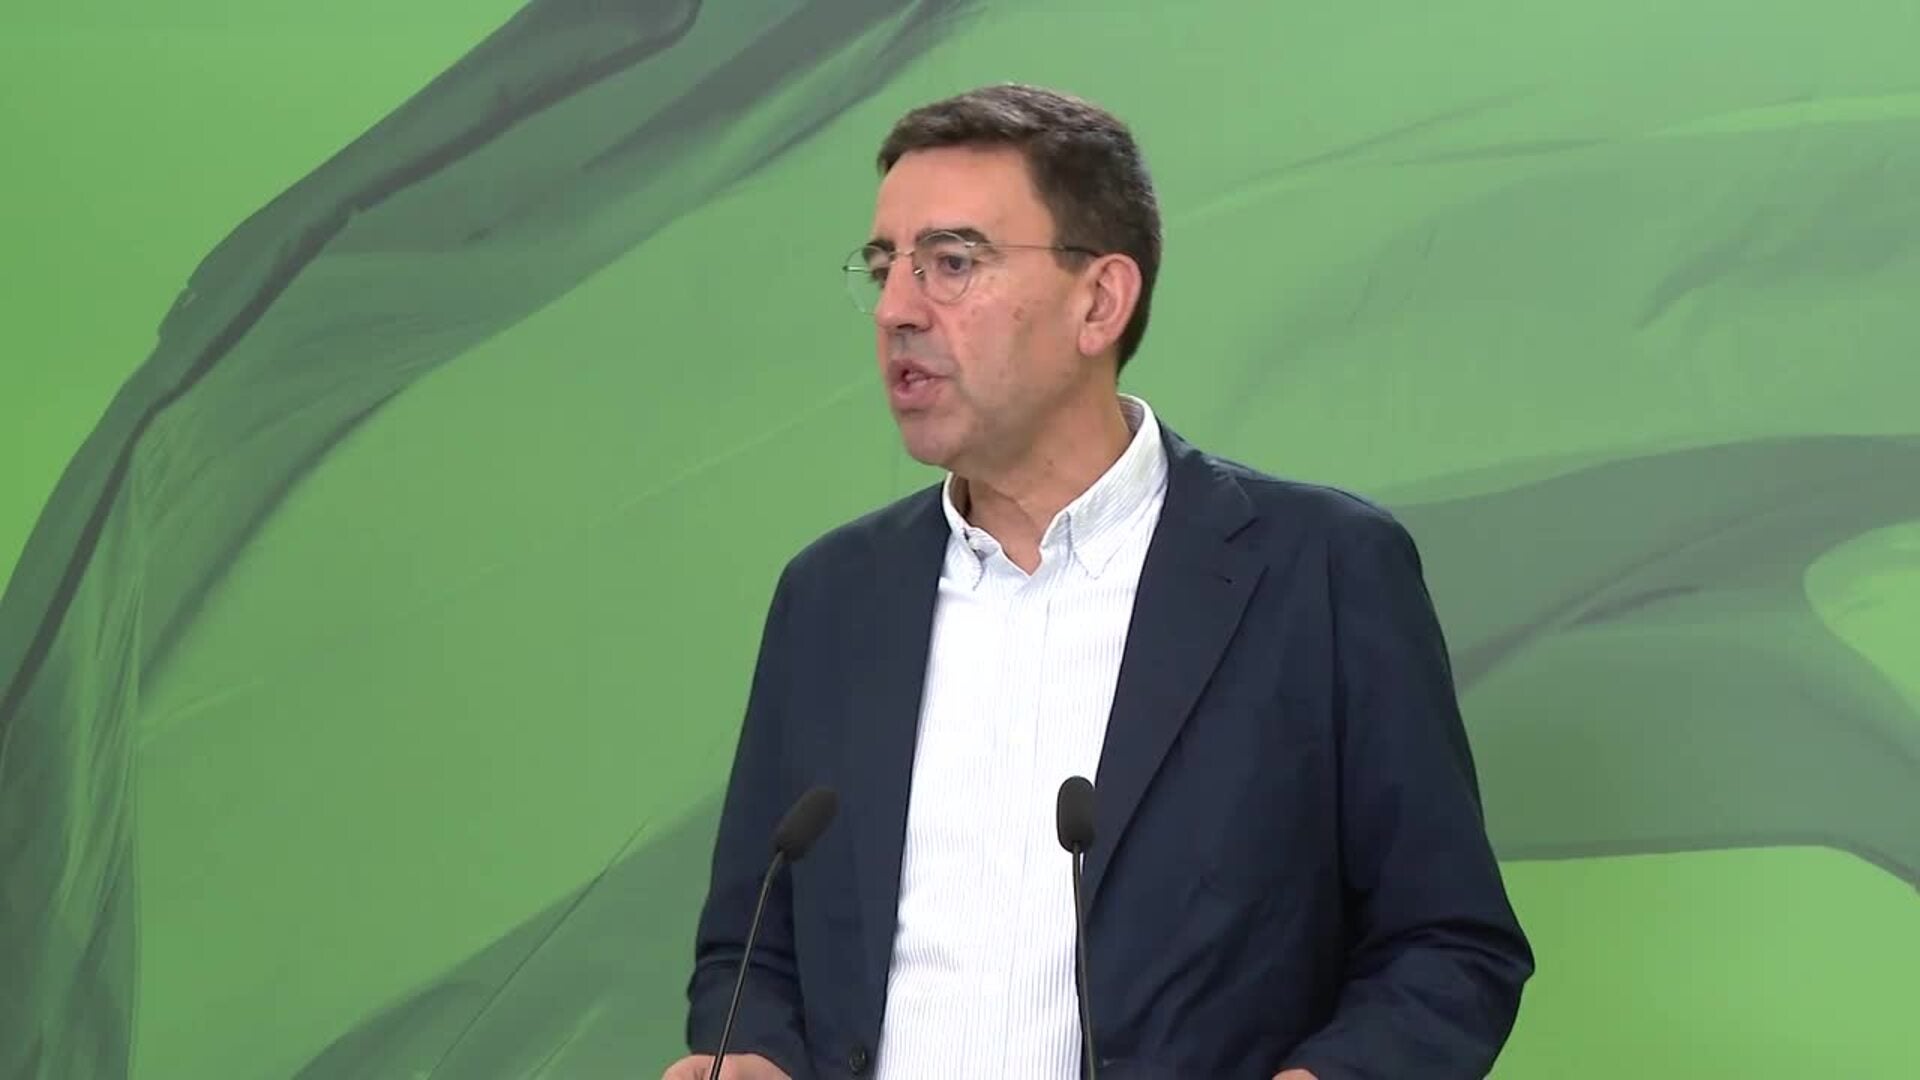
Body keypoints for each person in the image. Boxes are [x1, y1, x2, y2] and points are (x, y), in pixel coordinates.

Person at [662, 83, 1533, 1080]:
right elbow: (751, 951)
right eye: (883, 266)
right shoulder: (831, 599)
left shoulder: (1319, 571)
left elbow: (1448, 949)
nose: (898, 309)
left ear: (1099, 301)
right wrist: (756, 1058)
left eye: (952, 263)